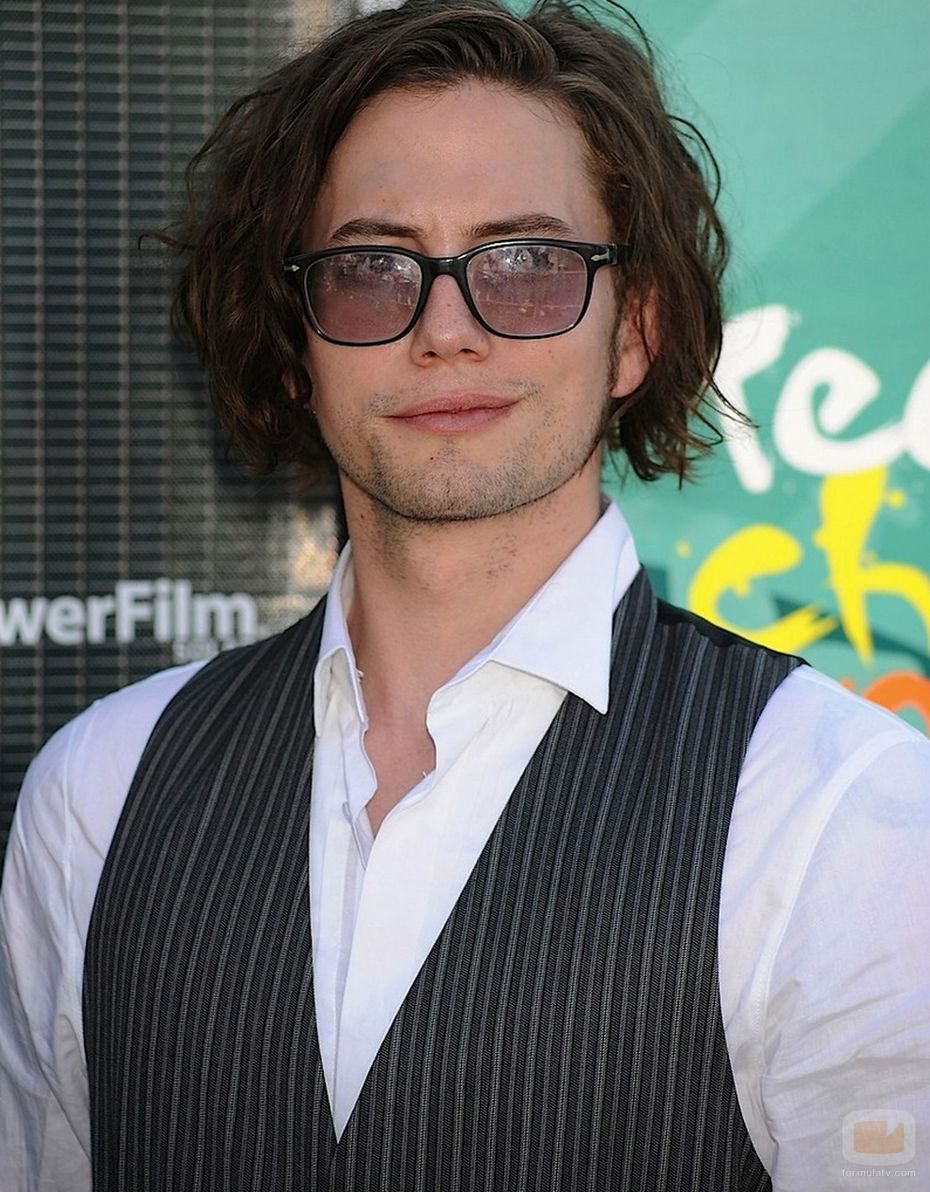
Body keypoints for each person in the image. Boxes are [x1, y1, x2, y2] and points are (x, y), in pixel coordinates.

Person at [1, 1, 928, 1188]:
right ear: (299, 343)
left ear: (635, 331)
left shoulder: (837, 813)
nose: (445, 330)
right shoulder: (99, 793)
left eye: (528, 266)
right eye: (371, 270)